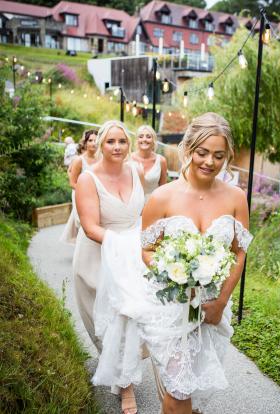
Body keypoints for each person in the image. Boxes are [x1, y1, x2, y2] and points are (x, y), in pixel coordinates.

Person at [139, 112, 253, 414]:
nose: (209, 162)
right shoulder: (162, 198)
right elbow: (147, 250)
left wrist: (221, 301)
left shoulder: (236, 198)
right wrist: (173, 275)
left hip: (213, 306)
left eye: (218, 155)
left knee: (194, 389)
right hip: (172, 307)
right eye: (202, 153)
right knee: (178, 389)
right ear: (188, 148)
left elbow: (239, 252)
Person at [74, 120, 145, 414]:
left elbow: (145, 211)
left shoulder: (136, 171)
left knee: (137, 316)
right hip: (99, 256)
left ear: (128, 145)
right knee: (114, 320)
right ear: (100, 144)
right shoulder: (87, 180)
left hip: (134, 254)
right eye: (110, 142)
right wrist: (126, 245)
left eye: (122, 142)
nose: (117, 147)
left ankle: (128, 370)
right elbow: (91, 227)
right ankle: (125, 387)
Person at [60, 130, 98, 244]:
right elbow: (72, 183)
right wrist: (86, 193)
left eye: (96, 140)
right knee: (81, 222)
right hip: (80, 195)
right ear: (85, 143)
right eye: (90, 140)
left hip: (97, 195)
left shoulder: (101, 160)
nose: (93, 143)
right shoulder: (79, 160)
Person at [131, 125, 168, 202]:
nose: (144, 139)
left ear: (153, 140)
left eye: (148, 137)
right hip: (133, 202)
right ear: (137, 140)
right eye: (141, 136)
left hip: (153, 203)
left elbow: (163, 189)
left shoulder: (161, 161)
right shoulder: (129, 159)